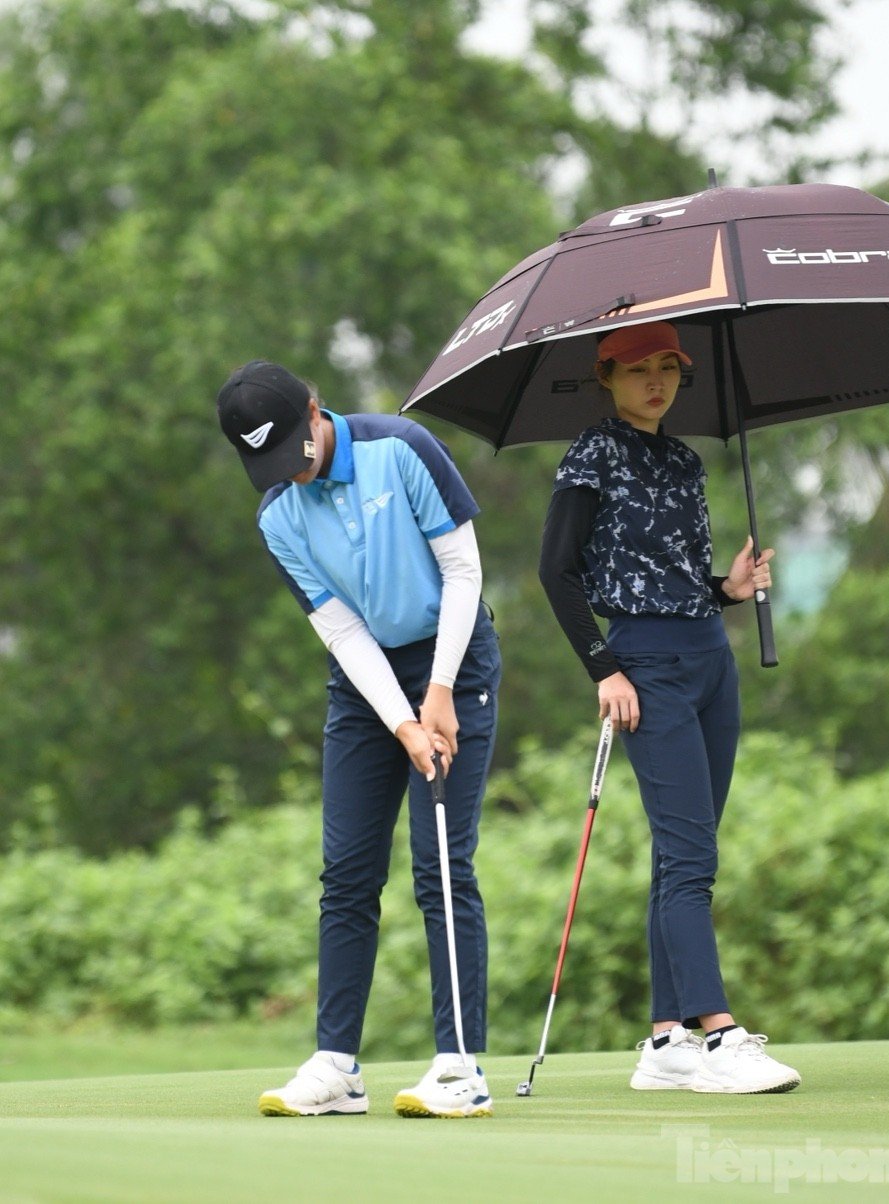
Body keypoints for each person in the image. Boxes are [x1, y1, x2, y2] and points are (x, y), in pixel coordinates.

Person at [217, 360, 501, 1117]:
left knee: (440, 865)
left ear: (317, 411)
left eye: (296, 453)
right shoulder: (278, 513)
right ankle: (337, 1064)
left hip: (454, 653)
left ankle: (460, 1066)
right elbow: (340, 628)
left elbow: (464, 571)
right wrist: (402, 721)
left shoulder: (401, 447)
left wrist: (437, 694)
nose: (293, 476)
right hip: (366, 679)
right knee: (345, 872)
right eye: (272, 466)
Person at [538, 320, 801, 1095]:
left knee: (681, 853)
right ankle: (717, 1037)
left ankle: (664, 1040)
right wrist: (604, 669)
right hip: (645, 669)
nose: (655, 381)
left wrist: (731, 587)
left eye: (667, 369)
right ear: (607, 376)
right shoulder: (594, 452)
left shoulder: (685, 461)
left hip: (711, 662)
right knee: (691, 861)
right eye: (637, 369)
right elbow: (558, 573)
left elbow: (679, 575)